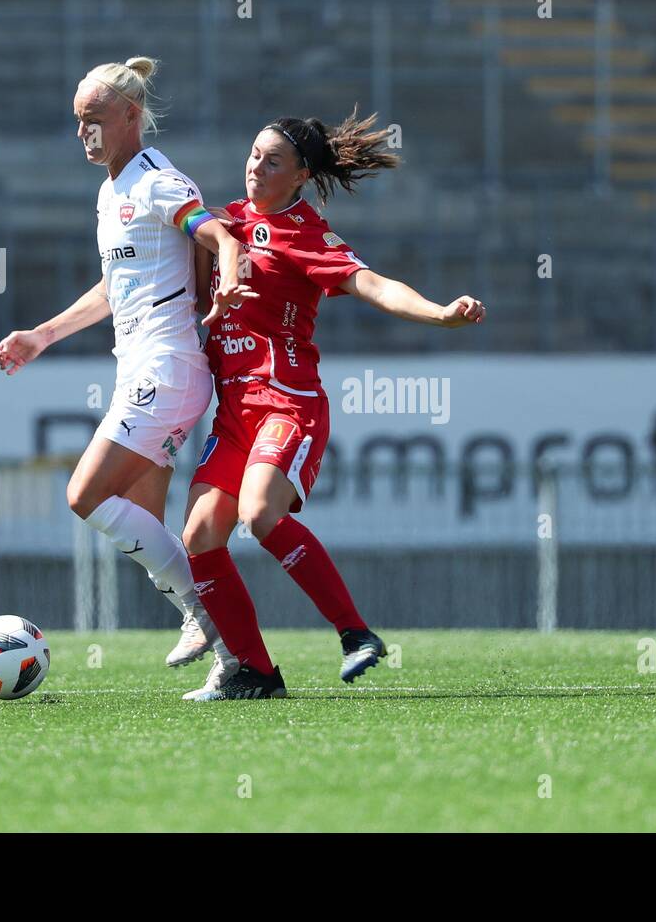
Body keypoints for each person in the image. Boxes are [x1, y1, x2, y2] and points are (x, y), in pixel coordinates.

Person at [178, 109, 486, 700]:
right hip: (234, 412)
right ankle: (255, 673)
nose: (255, 167)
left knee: (260, 513)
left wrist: (439, 312)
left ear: (299, 176)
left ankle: (355, 634)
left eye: (273, 161)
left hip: (286, 403)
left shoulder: (304, 232)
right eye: (252, 154)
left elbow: (372, 284)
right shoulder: (224, 222)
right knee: (198, 536)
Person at [0, 57, 252, 684]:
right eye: (78, 122)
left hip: (168, 364)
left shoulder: (157, 180)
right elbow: (115, 286)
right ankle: (236, 662)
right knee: (144, 519)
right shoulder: (111, 192)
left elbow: (216, 235)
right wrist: (42, 335)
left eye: (96, 120)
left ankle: (205, 609)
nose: (85, 132)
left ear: (131, 117)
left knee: (85, 495)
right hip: (139, 363)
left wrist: (231, 277)